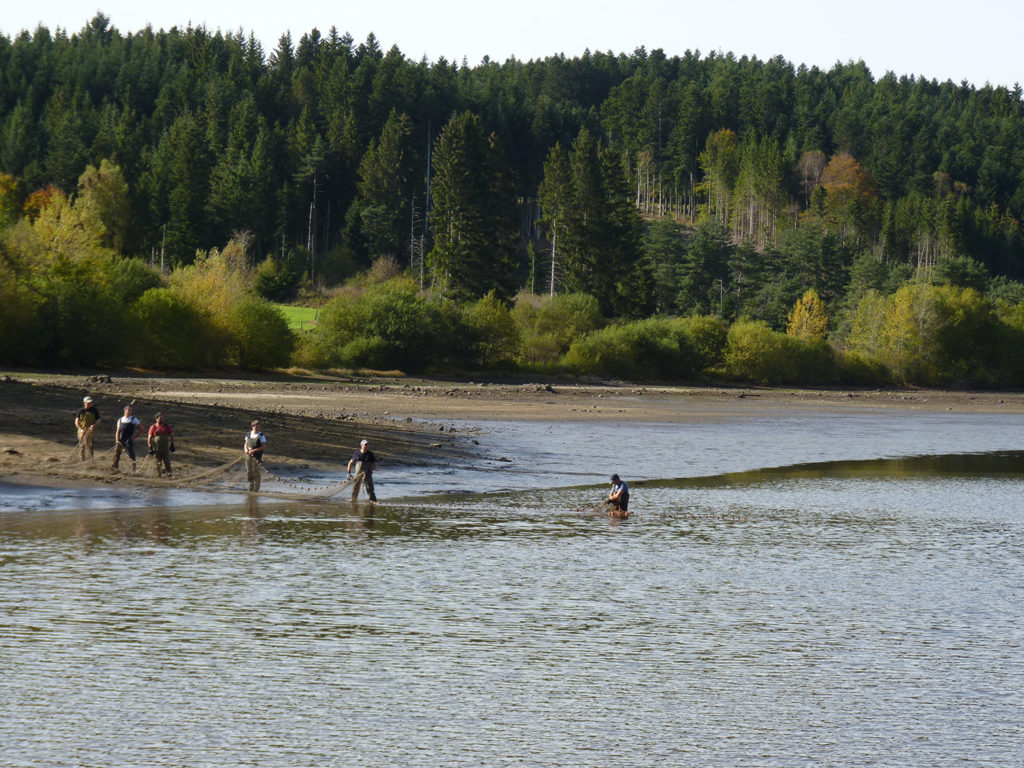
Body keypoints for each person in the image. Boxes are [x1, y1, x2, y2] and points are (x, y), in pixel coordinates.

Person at [112, 404, 142, 472]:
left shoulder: (134, 419)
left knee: (131, 454)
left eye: (131, 410)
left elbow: (141, 429)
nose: (130, 412)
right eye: (128, 410)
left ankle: (133, 469)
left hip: (129, 440)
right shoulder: (120, 420)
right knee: (116, 454)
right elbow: (118, 431)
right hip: (121, 440)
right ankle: (114, 467)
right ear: (125, 411)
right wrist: (117, 440)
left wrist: (134, 437)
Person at [147, 412, 175, 478]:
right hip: (156, 448)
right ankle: (158, 475)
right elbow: (150, 437)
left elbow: (172, 435)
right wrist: (150, 447)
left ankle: (169, 473)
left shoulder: (167, 426)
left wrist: (172, 444)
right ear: (156, 419)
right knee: (157, 462)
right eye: (160, 418)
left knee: (167, 461)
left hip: (165, 447)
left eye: (162, 418)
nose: (162, 419)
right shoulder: (153, 427)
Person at [75, 396, 101, 461]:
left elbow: (98, 420)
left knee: (90, 445)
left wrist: (94, 425)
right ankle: (82, 459)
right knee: (82, 446)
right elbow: (76, 421)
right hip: (81, 431)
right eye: (88, 403)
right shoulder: (81, 411)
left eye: (90, 403)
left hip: (90, 431)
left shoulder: (94, 410)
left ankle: (91, 459)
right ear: (84, 403)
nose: (90, 404)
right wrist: (80, 429)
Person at [244, 420, 266, 492]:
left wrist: (254, 451)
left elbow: (263, 447)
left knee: (255, 472)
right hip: (248, 456)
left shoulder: (261, 436)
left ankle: (256, 490)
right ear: (252, 427)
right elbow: (246, 444)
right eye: (256, 427)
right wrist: (246, 450)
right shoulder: (249, 434)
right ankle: (250, 488)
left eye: (259, 427)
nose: (257, 429)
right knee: (249, 471)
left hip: (257, 456)